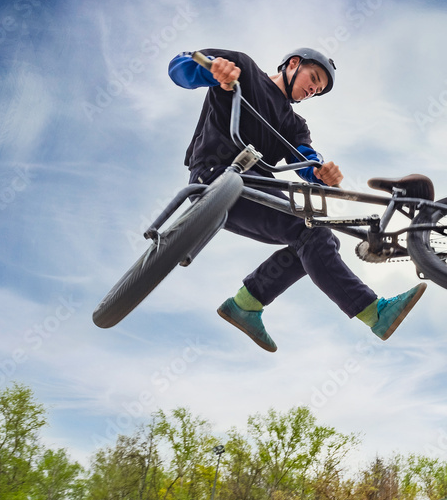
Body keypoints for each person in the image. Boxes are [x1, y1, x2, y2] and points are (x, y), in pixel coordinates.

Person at [167, 46, 425, 352]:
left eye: (317, 90)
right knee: (312, 234)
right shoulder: (245, 70)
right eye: (313, 78)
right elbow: (179, 66)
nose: (312, 90)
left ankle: (245, 304)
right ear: (293, 64)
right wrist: (212, 71)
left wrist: (320, 173)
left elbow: (304, 158)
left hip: (252, 188)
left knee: (317, 238)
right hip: (213, 174)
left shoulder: (295, 124)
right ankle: (374, 312)